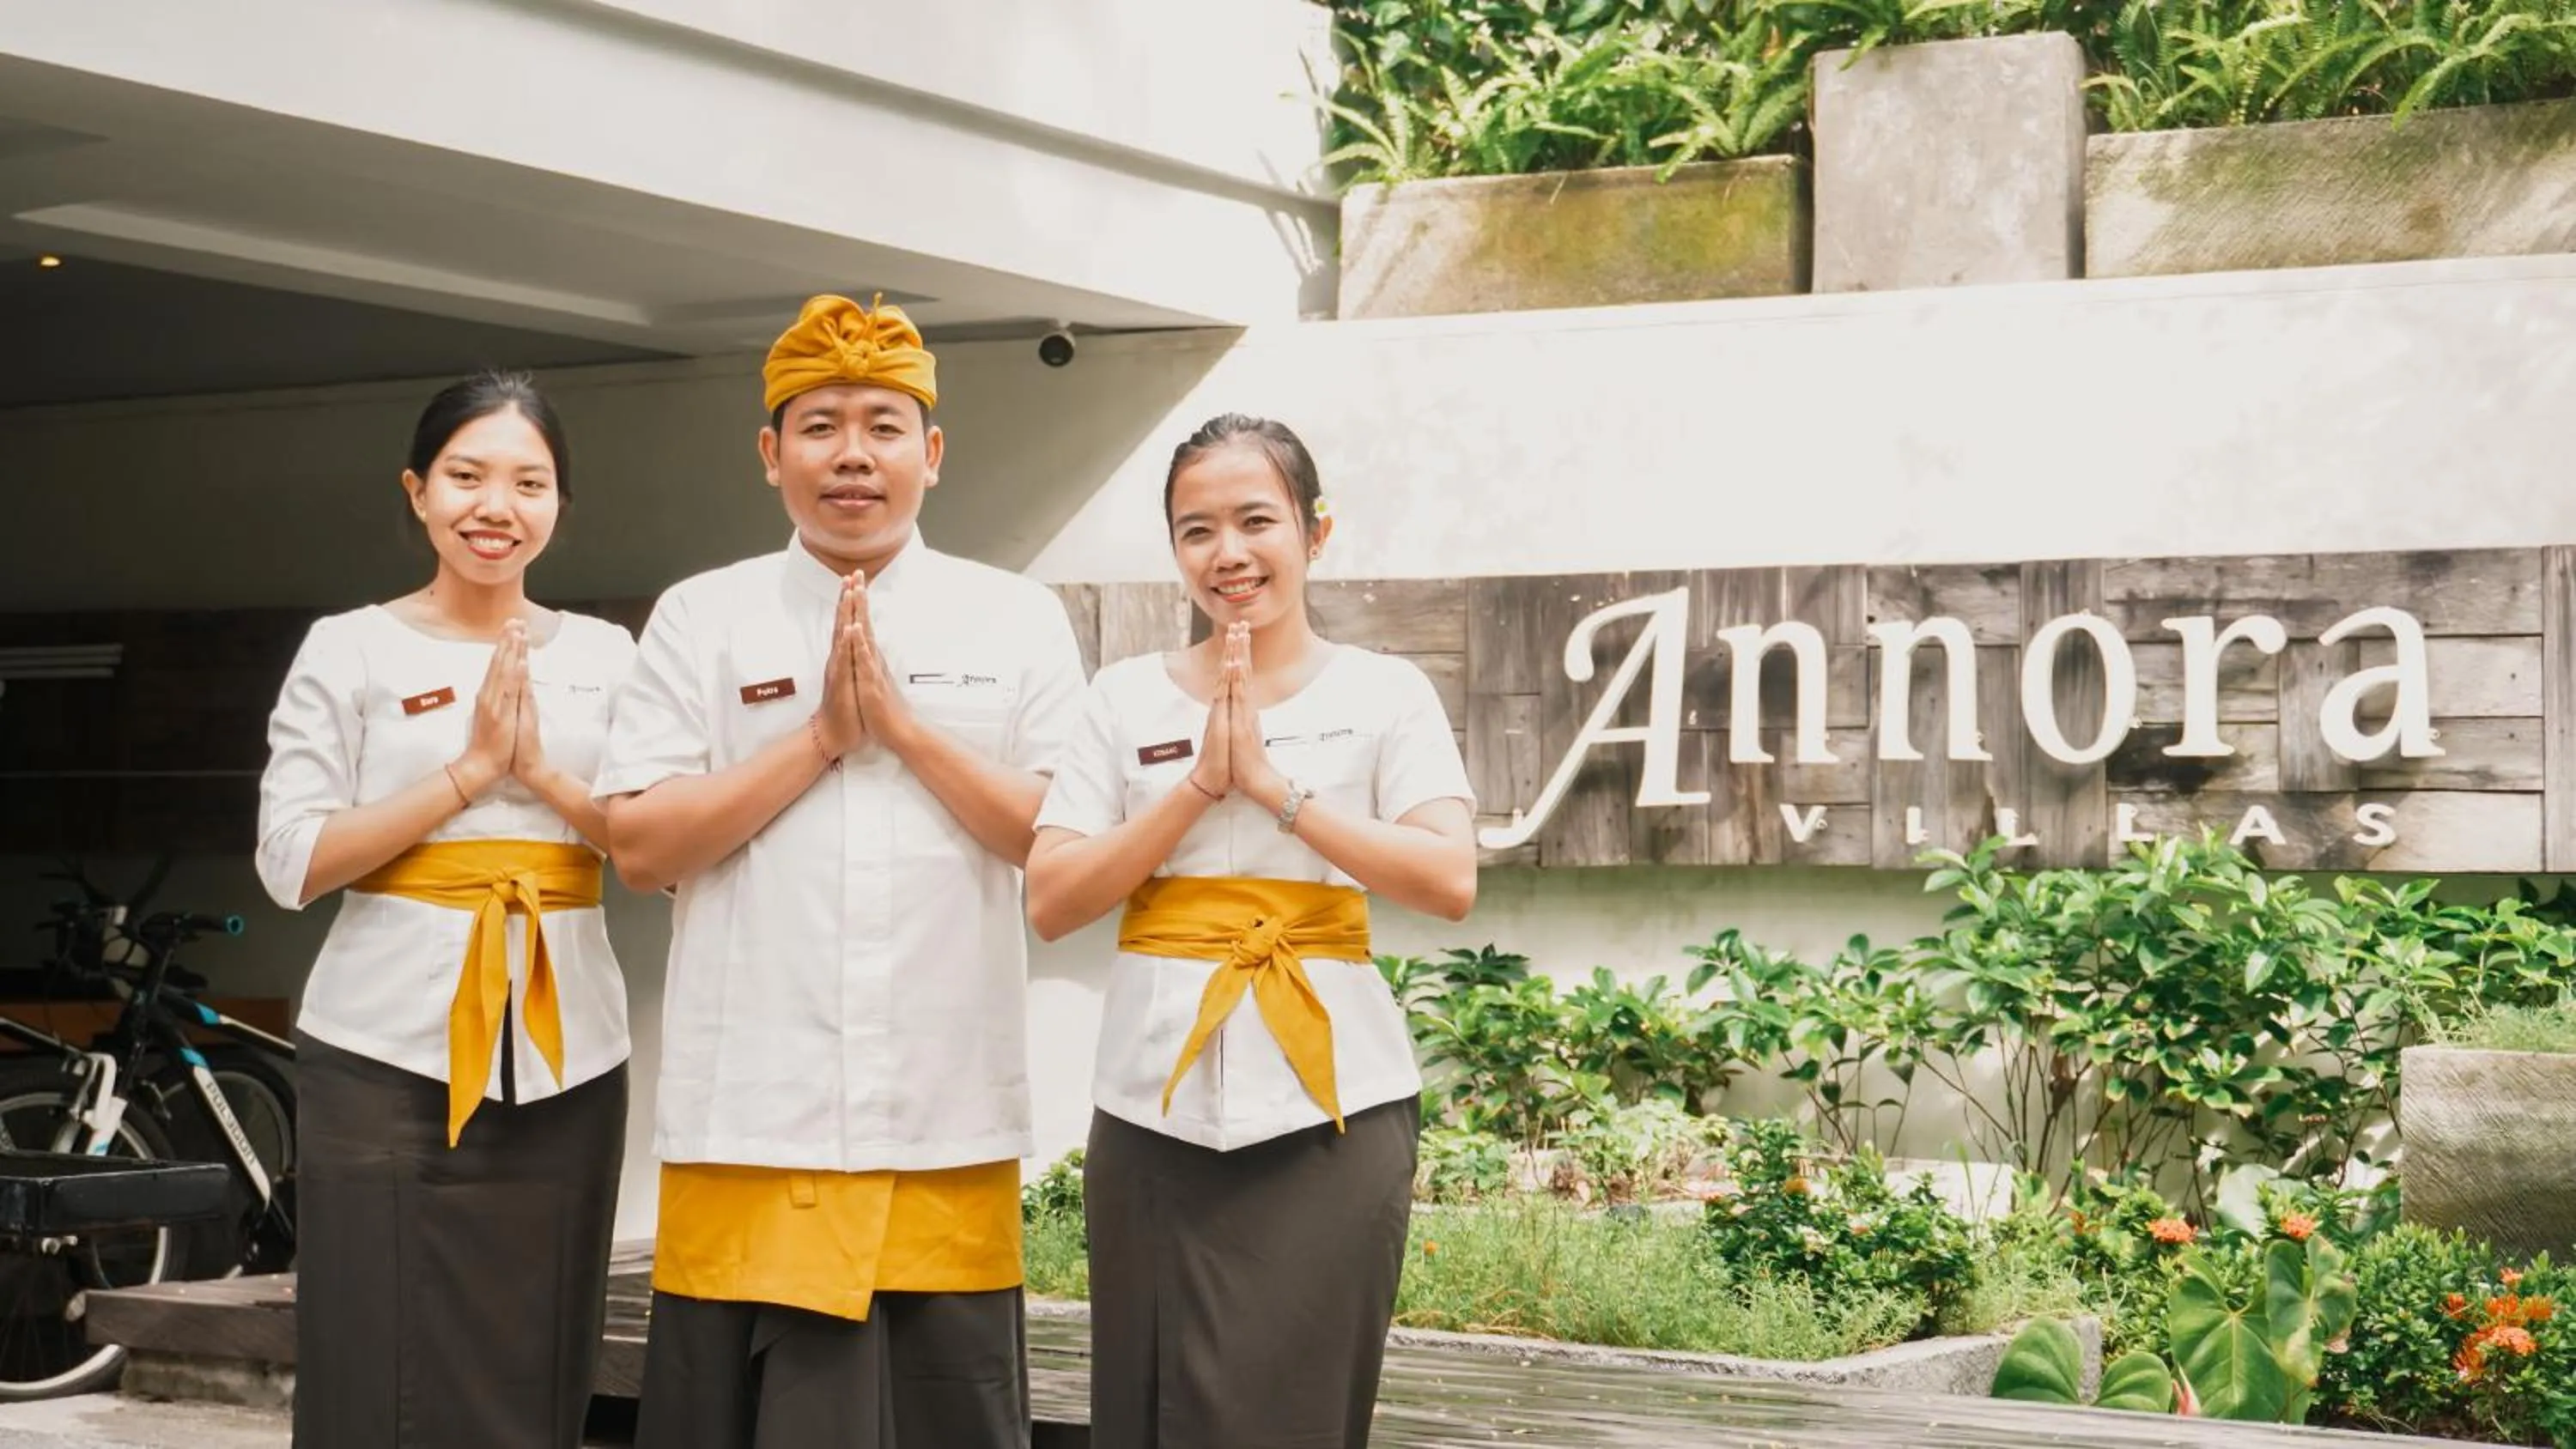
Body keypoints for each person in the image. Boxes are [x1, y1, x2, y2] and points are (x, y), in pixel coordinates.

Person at [593, 294, 1086, 1449]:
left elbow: (1059, 841)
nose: (852, 454)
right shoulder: (701, 618)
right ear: (771, 454)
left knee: (946, 1420)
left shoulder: (1015, 619)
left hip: (942, 1115)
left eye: (881, 424)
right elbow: (640, 847)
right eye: (819, 425)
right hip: (750, 1120)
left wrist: (907, 732)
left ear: (934, 452)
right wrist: (818, 739)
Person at [1024, 414, 1479, 1449]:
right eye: (1197, 529)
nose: (1227, 553)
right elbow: (1051, 899)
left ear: (1315, 531)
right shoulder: (1120, 695)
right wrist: (1196, 785)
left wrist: (1276, 790)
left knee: (1301, 1405)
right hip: (1154, 1112)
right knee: (1151, 1398)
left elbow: (1448, 877)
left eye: (1255, 519)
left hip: (1334, 1113)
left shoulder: (1384, 690)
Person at [254, 372, 633, 1449]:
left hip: (571, 1052)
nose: (495, 506)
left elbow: (662, 852)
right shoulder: (350, 645)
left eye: (528, 481)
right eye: (466, 476)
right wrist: (469, 773)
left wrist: (547, 781)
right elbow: (292, 860)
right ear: (418, 491)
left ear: (560, 502)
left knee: (541, 1330)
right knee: (373, 1338)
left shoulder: (611, 657)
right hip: (381, 1050)